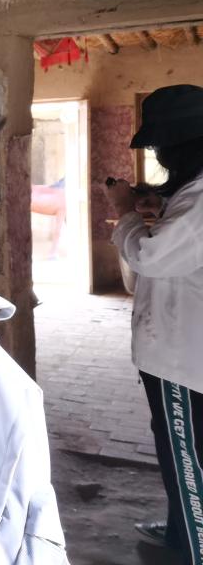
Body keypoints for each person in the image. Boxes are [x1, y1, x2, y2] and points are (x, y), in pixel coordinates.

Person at [105, 84, 203, 564]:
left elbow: (151, 256)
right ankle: (183, 526)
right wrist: (156, 211)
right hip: (182, 353)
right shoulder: (192, 194)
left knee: (186, 457)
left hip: (183, 360)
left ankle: (194, 544)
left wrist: (124, 212)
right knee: (182, 454)